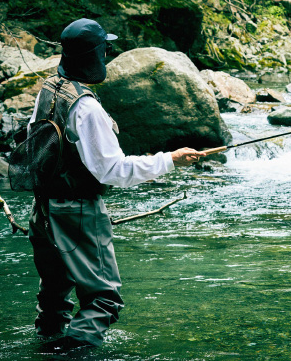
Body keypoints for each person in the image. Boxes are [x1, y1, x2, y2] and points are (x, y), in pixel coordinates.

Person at [28, 18, 205, 352]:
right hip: (78, 214)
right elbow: (114, 171)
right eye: (105, 49)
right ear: (97, 54)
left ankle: (43, 346)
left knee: (54, 294)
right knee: (104, 299)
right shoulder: (87, 107)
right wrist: (171, 159)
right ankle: (69, 355)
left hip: (43, 211)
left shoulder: (49, 89)